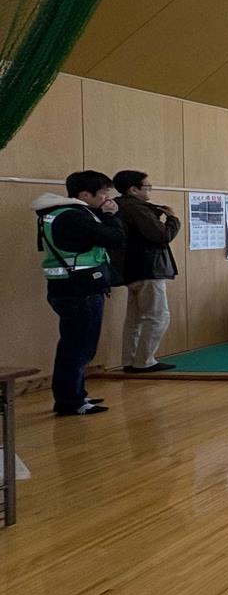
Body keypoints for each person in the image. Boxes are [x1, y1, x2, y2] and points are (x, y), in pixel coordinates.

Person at [34, 171, 125, 416]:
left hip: (65, 287)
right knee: (79, 348)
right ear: (85, 194)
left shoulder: (55, 213)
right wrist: (111, 216)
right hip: (81, 289)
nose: (107, 198)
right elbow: (115, 238)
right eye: (103, 193)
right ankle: (71, 401)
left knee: (74, 344)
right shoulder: (75, 217)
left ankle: (74, 393)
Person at [110, 169, 179, 374]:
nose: (150, 190)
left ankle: (130, 360)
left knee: (135, 319)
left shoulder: (118, 207)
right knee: (158, 316)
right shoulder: (137, 210)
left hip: (130, 269)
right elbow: (162, 236)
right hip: (148, 268)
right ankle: (145, 361)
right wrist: (173, 219)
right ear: (133, 189)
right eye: (147, 186)